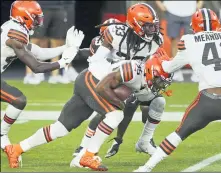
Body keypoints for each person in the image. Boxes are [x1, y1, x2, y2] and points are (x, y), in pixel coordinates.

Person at [4, 2, 165, 171]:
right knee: (115, 115)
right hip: (95, 79)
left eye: (153, 26)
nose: (151, 30)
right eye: (147, 26)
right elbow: (96, 59)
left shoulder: (155, 41)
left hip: (110, 80)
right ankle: (88, 156)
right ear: (134, 24)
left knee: (60, 128)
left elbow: (151, 63)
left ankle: (16, 148)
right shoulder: (116, 33)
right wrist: (119, 70)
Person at [134, 8, 221, 172]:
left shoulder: (188, 41)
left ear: (194, 26)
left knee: (178, 134)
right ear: (216, 23)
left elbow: (169, 67)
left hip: (205, 104)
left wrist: (156, 62)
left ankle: (146, 168)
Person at [1, 0, 84, 151]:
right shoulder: (15, 34)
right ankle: (2, 134)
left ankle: (1, 134)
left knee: (18, 100)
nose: (39, 21)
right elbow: (37, 67)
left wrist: (66, 47)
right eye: (35, 17)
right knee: (18, 100)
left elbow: (39, 51)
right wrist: (63, 62)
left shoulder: (15, 27)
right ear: (24, 17)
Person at [72, 48, 171, 159]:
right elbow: (102, 87)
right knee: (108, 112)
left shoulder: (148, 78)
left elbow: (139, 108)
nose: (161, 85)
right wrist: (118, 103)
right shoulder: (131, 71)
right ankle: (83, 145)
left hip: (136, 87)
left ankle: (145, 141)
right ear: (150, 71)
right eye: (160, 81)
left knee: (159, 101)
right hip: (107, 84)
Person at [23, 0, 78, 85]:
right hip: (40, 7)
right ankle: (29, 75)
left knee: (57, 41)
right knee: (35, 40)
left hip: (60, 7)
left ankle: (54, 75)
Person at [155, 0, 203, 82]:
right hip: (172, 10)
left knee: (193, 42)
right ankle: (176, 70)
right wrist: (159, 3)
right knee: (174, 42)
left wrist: (200, 2)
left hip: (190, 10)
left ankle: (196, 70)